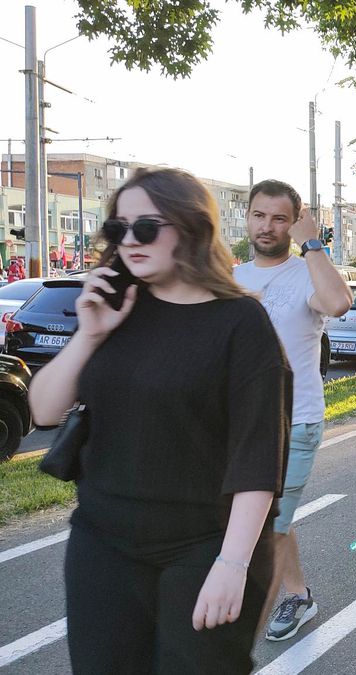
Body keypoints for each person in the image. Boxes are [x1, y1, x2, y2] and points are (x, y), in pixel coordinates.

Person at [29, 167, 290, 673]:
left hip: (201, 546)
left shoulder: (240, 322)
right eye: (117, 229)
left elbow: (258, 456)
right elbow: (43, 410)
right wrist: (89, 334)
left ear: (190, 228)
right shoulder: (116, 308)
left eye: (145, 227)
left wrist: (233, 565)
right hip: (102, 541)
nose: (129, 240)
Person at [234, 179, 353, 642]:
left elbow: (340, 303)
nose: (267, 226)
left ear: (294, 222)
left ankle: (241, 632)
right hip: (241, 424)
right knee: (270, 518)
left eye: (279, 218)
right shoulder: (234, 277)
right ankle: (300, 595)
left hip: (295, 421)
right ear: (246, 217)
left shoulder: (308, 272)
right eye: (259, 215)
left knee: (271, 524)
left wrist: (313, 242)